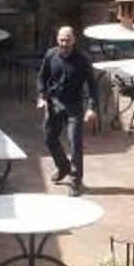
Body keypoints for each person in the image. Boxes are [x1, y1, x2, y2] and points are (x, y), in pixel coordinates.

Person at [36, 24, 98, 191]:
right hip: (54, 103)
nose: (64, 43)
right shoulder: (51, 55)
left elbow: (92, 84)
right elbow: (42, 77)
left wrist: (91, 107)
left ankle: (76, 180)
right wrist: (41, 96)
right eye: (62, 40)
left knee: (75, 143)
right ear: (57, 40)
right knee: (49, 137)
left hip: (74, 106)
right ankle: (63, 166)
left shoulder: (83, 59)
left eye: (68, 40)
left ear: (74, 40)